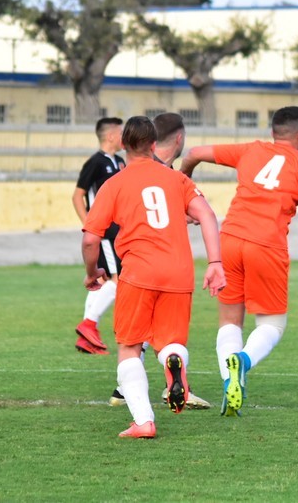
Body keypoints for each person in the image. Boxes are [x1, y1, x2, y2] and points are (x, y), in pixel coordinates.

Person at [179, 105, 298, 417]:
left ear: (272, 132)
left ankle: (230, 382)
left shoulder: (250, 150)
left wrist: (184, 183)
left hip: (229, 239)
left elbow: (193, 153)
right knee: (272, 323)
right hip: (266, 245)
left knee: (229, 320)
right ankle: (242, 362)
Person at [82, 115, 225, 439]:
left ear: (124, 144)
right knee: (171, 341)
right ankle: (173, 359)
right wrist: (215, 262)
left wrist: (93, 273)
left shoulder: (114, 184)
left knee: (130, 347)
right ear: (153, 144)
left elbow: (91, 239)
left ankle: (144, 421)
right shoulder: (176, 179)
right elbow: (206, 214)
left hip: (138, 272)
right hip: (179, 272)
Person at [107, 112, 213, 411]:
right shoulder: (166, 174)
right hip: (167, 263)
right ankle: (151, 385)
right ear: (178, 139)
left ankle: (129, 394)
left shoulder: (139, 171)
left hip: (136, 261)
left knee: (134, 335)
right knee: (159, 334)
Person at [72, 117, 126, 354]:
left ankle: (86, 339)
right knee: (117, 280)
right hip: (105, 232)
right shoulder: (95, 162)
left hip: (118, 231)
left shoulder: (121, 162)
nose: (124, 137)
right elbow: (77, 195)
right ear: (111, 136)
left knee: (102, 281)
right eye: (121, 132)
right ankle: (89, 325)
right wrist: (90, 225)